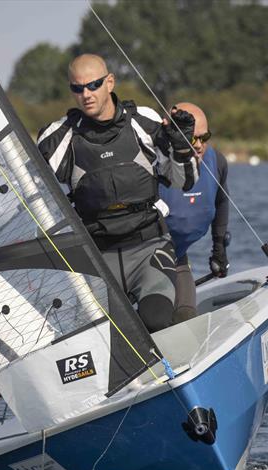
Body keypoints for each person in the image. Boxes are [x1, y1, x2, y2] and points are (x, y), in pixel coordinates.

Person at [37, 54, 198, 332]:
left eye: (94, 85)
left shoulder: (143, 121)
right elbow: (31, 196)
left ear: (109, 82)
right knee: (102, 337)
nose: (86, 94)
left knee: (156, 320)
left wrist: (182, 148)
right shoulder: (57, 137)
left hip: (149, 250)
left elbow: (184, 182)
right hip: (97, 260)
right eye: (78, 88)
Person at [159, 102, 229, 321]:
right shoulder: (154, 163)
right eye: (192, 138)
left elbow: (221, 203)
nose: (199, 145)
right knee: (156, 319)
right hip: (145, 259)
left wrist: (219, 249)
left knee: (186, 316)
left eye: (204, 137)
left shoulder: (216, 161)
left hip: (178, 257)